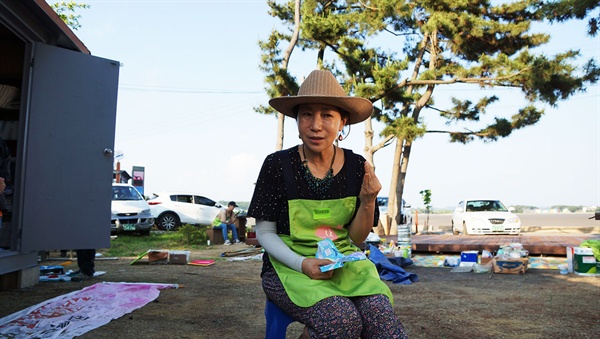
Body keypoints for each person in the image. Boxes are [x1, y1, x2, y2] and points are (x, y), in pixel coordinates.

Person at [248, 69, 408, 338]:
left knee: (382, 321)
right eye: (307, 114)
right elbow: (264, 233)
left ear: (342, 121)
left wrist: (367, 202)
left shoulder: (357, 166)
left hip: (343, 264)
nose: (316, 125)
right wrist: (302, 263)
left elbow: (356, 239)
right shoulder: (276, 165)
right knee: (341, 319)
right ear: (297, 120)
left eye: (327, 115)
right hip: (287, 268)